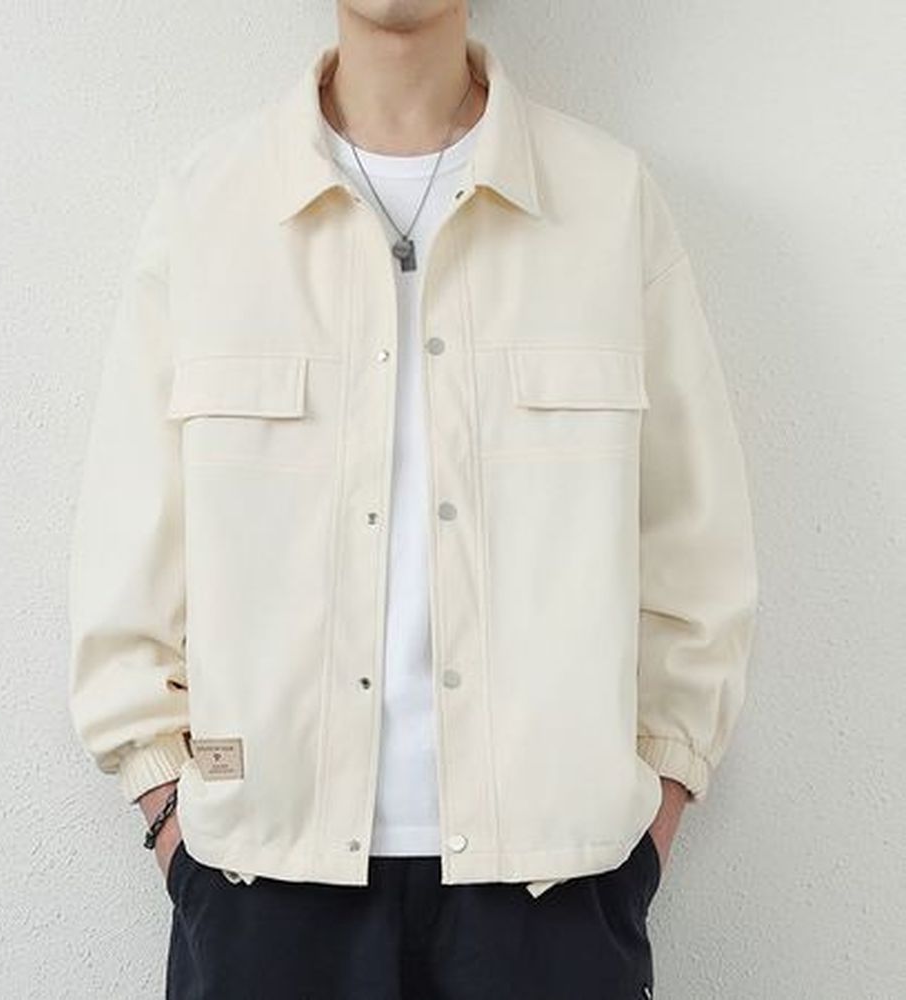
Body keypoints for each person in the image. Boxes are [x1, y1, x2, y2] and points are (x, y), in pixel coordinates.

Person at [67, 2, 758, 997]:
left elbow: (697, 552)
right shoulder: (208, 210)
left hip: (555, 895)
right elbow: (127, 558)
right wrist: (172, 811)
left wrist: (651, 814)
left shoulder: (608, 206)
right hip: (262, 882)